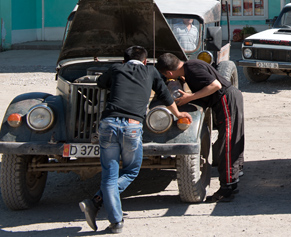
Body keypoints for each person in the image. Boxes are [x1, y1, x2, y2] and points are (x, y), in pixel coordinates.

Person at [79, 46, 191, 234]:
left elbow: (100, 83)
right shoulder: (150, 71)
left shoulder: (116, 69)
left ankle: (114, 220)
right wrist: (178, 113)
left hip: (108, 125)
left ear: (124, 61)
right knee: (131, 171)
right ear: (145, 61)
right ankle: (97, 203)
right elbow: (164, 95)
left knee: (109, 174)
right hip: (131, 126)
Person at [156, 53, 244, 202]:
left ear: (169, 73)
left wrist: (190, 97)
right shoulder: (190, 66)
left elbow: (215, 85)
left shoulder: (192, 69)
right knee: (230, 140)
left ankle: (226, 189)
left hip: (225, 100)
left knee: (227, 143)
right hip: (228, 100)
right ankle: (232, 182)